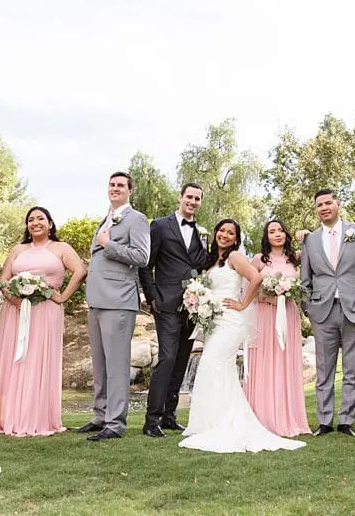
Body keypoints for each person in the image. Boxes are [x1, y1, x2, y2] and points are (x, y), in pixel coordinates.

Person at [179, 219, 306, 453]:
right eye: (222, 231)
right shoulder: (211, 261)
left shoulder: (236, 257)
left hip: (230, 320)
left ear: (236, 238)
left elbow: (255, 278)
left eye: (230, 233)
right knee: (214, 368)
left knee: (212, 364)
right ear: (216, 233)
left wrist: (243, 303)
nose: (225, 235)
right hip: (214, 321)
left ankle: (226, 421)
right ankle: (209, 421)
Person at [0, 206, 86, 437]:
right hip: (16, 312)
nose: (35, 222)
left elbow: (80, 271)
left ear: (50, 223)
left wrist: (62, 297)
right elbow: (3, 279)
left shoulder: (61, 248)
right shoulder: (18, 249)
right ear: (27, 226)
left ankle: (36, 416)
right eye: (31, 219)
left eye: (41, 218)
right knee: (15, 360)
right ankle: (9, 416)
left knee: (38, 359)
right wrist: (13, 299)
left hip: (45, 311)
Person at [76, 171, 150, 441]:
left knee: (117, 365)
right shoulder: (105, 218)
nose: (115, 188)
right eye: (112, 184)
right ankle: (100, 416)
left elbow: (142, 256)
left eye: (121, 185)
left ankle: (115, 423)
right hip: (96, 300)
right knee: (100, 364)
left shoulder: (137, 219)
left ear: (130, 190)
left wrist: (109, 245)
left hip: (119, 299)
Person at [300, 189, 355, 437]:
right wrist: (307, 307)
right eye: (319, 204)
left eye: (328, 203)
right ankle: (324, 421)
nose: (324, 207)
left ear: (338, 204)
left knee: (353, 368)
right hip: (322, 311)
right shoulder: (310, 240)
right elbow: (306, 277)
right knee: (324, 369)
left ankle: (346, 420)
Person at [139, 183, 209, 438]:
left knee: (181, 360)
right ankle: (151, 420)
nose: (192, 201)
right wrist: (152, 297)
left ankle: (170, 416)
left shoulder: (203, 233)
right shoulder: (159, 225)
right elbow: (146, 265)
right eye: (189, 197)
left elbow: (202, 265)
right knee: (167, 358)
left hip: (193, 306)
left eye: (197, 198)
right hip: (166, 303)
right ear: (180, 198)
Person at [245, 219, 312, 437]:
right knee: (264, 362)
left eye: (281, 230)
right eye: (272, 231)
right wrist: (267, 297)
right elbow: (248, 289)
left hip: (288, 315)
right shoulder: (258, 260)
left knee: (285, 362)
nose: (277, 234)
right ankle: (262, 417)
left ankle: (288, 416)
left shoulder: (295, 258)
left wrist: (306, 233)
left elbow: (313, 245)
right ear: (266, 236)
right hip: (264, 315)